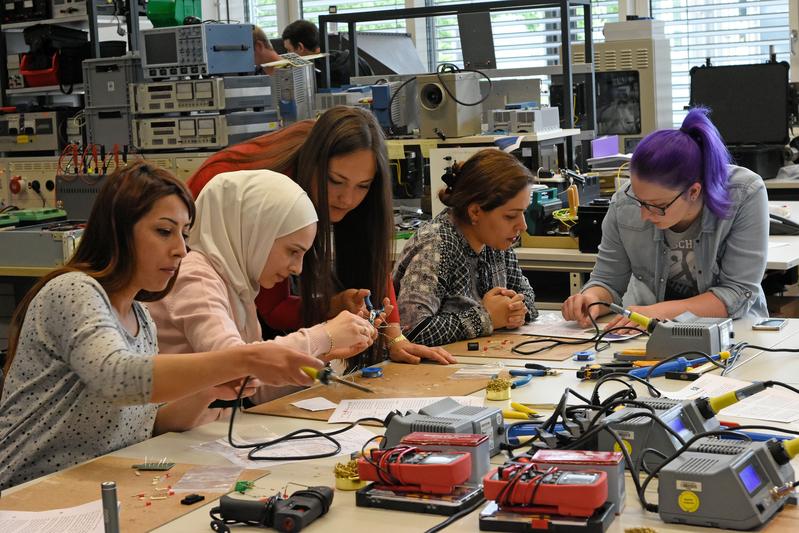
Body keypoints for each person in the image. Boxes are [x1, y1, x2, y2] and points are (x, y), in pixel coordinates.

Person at [0, 162, 325, 491]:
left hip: (95, 486)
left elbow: (153, 421)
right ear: (119, 230)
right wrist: (244, 360)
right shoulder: (74, 290)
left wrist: (210, 389)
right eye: (164, 231)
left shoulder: (141, 317)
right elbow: (116, 377)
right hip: (28, 493)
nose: (181, 249)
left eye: (184, 235)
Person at [188, 106, 455, 368]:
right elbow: (240, 361)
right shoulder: (270, 191)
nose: (347, 198)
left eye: (362, 186)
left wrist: (393, 336)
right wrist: (325, 331)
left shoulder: (342, 171)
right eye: (335, 181)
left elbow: (368, 252)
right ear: (312, 165)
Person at [147, 170, 379, 427]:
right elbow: (236, 365)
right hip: (180, 443)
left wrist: (322, 355)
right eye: (292, 251)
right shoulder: (196, 278)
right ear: (255, 231)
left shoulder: (236, 284)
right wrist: (323, 334)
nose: (297, 268)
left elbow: (254, 388)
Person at [562, 107, 769, 331]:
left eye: (658, 206)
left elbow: (736, 293)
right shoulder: (624, 202)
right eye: (640, 201)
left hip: (734, 332)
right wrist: (591, 298)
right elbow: (608, 281)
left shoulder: (744, 193)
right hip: (650, 330)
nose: (644, 214)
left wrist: (656, 312)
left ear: (694, 192)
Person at [393, 149, 539, 346]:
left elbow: (527, 296)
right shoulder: (437, 245)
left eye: (523, 213)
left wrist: (516, 311)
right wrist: (486, 317)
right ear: (475, 211)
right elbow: (411, 330)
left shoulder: (495, 241)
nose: (523, 225)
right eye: (511, 216)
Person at [281, 19, 372, 87]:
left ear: (300, 47)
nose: (288, 55)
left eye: (289, 50)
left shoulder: (311, 77)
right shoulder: (355, 60)